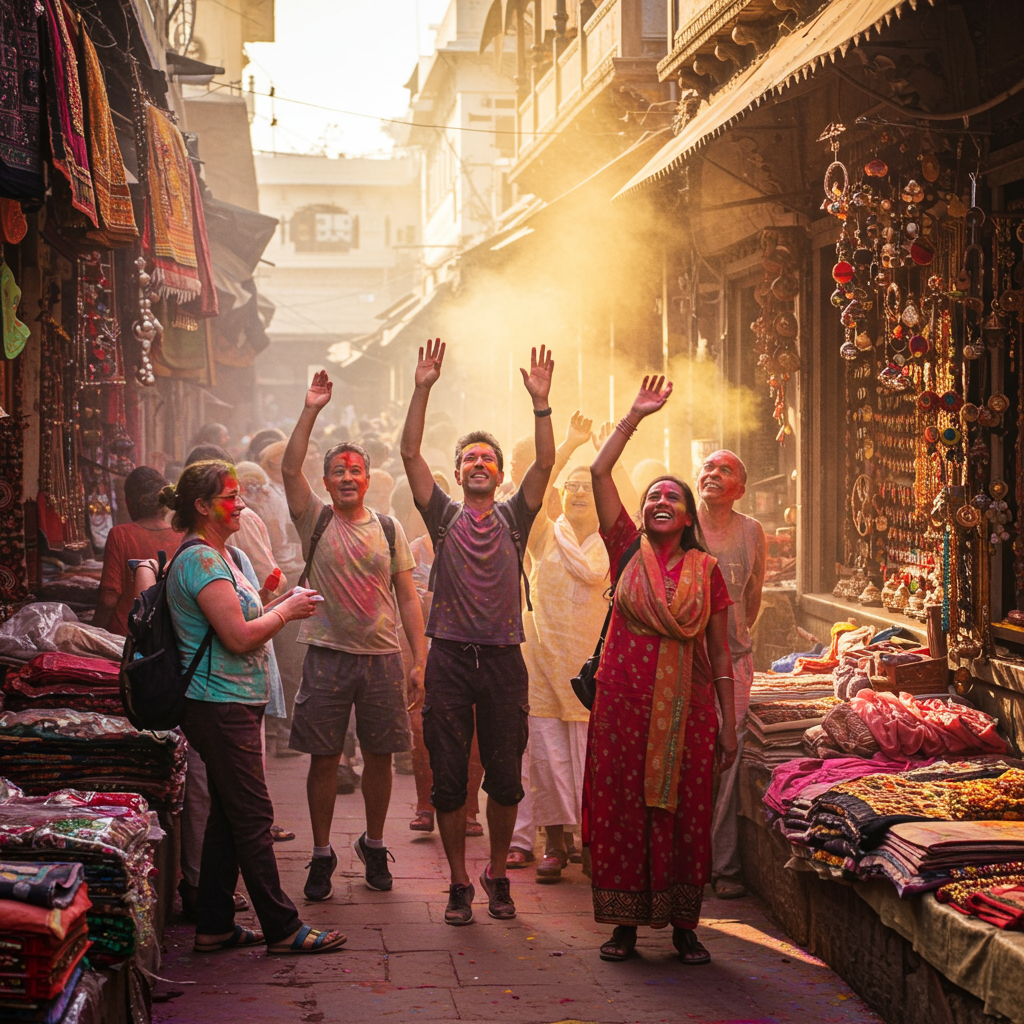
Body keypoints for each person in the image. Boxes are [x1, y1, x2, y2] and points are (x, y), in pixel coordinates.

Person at [158, 459, 345, 954]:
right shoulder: (199, 560)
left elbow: (241, 620)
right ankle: (282, 927)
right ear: (201, 506)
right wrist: (285, 611)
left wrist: (271, 601)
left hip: (233, 701)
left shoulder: (220, 555)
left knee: (227, 812)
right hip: (218, 705)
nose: (240, 503)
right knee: (253, 816)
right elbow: (239, 638)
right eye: (230, 496)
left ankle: (215, 923)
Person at [400, 338, 556, 926]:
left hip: (502, 661)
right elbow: (410, 452)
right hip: (448, 659)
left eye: (488, 458)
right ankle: (459, 884)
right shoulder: (441, 517)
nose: (480, 464)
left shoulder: (517, 517)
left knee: (506, 778)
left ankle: (495, 874)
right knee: (447, 779)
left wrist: (541, 406)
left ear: (499, 471)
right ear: (460, 471)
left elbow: (544, 466)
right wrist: (423, 387)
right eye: (470, 459)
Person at [585, 375, 737, 966]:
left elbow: (720, 654)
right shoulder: (624, 545)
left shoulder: (707, 570)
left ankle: (683, 926)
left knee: (684, 813)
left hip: (688, 710)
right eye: (653, 497)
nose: (661, 503)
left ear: (688, 514)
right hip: (622, 705)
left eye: (672, 497)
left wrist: (728, 722)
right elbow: (601, 474)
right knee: (623, 805)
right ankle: (623, 927)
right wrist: (632, 417)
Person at [282, 371, 428, 901]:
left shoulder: (388, 529)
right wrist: (311, 410)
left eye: (356, 471)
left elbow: (408, 597)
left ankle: (372, 842)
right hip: (325, 654)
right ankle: (322, 854)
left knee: (382, 755)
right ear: (326, 483)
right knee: (323, 758)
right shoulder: (314, 521)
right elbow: (288, 466)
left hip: (383, 658)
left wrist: (420, 659)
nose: (347, 477)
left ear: (368, 480)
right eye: (338, 471)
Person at [697, 450, 767, 899]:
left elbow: (753, 592)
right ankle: (682, 860)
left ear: (739, 489)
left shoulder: (751, 531)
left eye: (725, 470)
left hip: (735, 660)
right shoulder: (684, 524)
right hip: (685, 660)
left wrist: (735, 637)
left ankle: (722, 865)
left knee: (726, 756)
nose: (714, 474)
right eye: (708, 467)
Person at [93, 467, 181, 635]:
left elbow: (108, 599)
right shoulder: (181, 535)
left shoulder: (119, 535)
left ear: (131, 502)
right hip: (169, 636)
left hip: (126, 637)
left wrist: (94, 633)